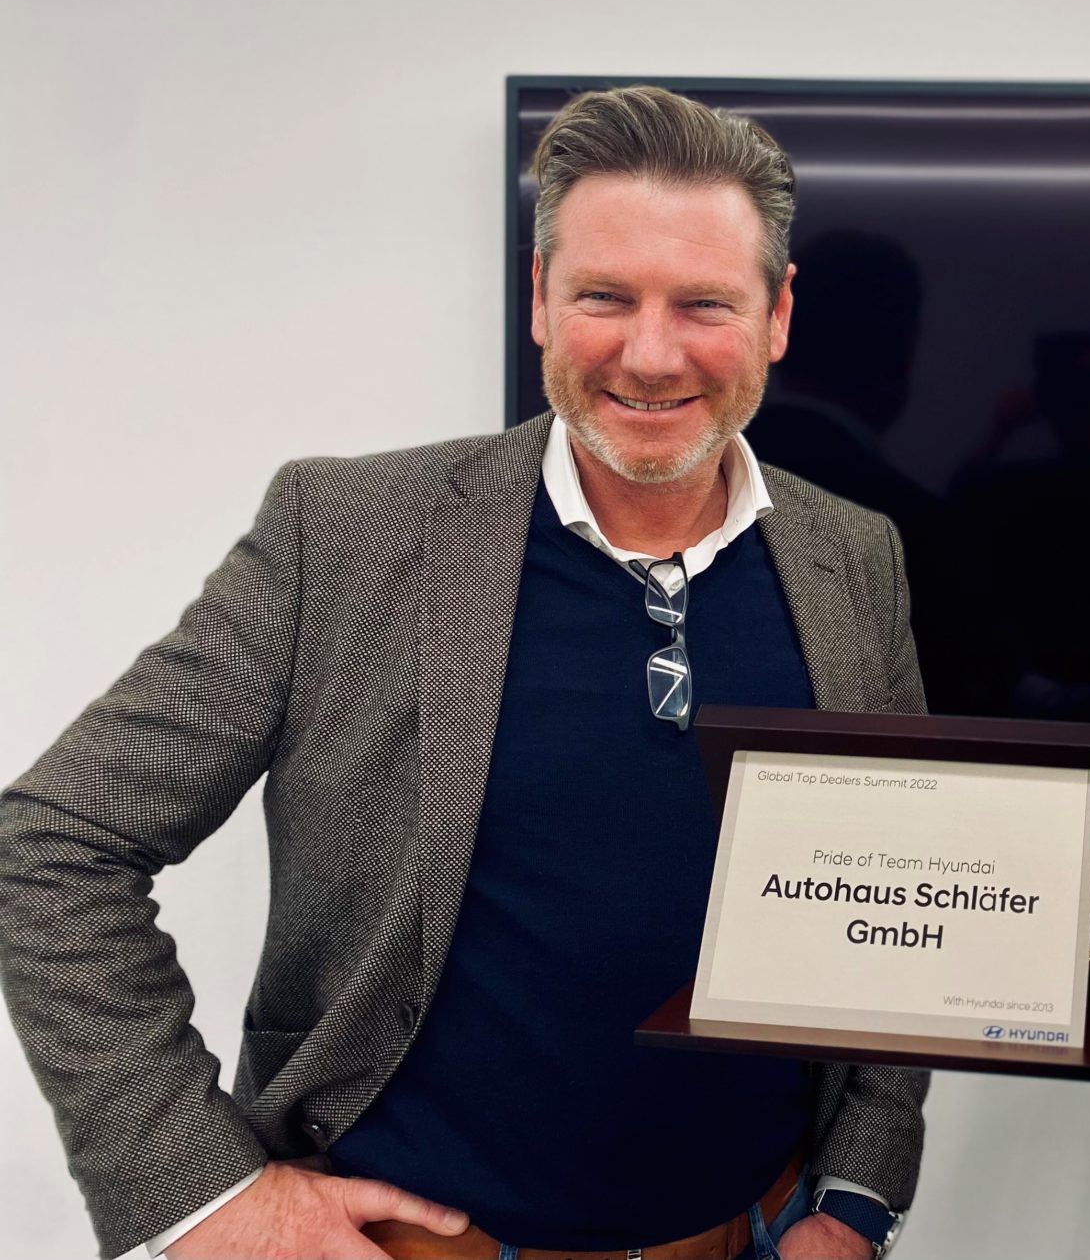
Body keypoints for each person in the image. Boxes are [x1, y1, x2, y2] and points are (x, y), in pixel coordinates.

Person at [1, 85, 925, 1260]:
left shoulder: (853, 556)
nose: (650, 354)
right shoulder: (341, 533)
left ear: (777, 313)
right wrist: (203, 1193)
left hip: (757, 1233)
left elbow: (898, 906)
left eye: (704, 303)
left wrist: (856, 1196)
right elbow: (53, 843)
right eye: (604, 296)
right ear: (539, 299)